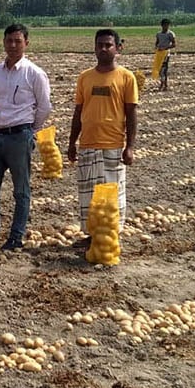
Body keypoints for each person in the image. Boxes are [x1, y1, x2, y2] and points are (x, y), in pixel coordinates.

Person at [0, 23, 52, 251]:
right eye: (9, 41)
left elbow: (44, 107)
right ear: (3, 42)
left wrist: (30, 131)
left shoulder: (34, 73)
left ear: (26, 43)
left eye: (18, 41)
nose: (13, 45)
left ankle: (16, 236)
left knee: (21, 190)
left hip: (19, 136)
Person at [66, 29, 138, 249]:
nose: (104, 49)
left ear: (118, 48)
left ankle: (110, 236)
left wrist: (130, 147)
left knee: (112, 195)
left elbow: (131, 114)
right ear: (94, 47)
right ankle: (90, 235)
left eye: (108, 45)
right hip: (88, 144)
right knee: (89, 195)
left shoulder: (126, 77)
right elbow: (78, 113)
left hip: (113, 146)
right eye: (100, 45)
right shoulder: (85, 77)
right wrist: (71, 143)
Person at [154, 18, 177, 91]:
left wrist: (165, 48)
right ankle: (163, 83)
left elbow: (174, 44)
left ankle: (164, 84)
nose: (166, 27)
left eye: (167, 25)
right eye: (165, 25)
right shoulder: (158, 34)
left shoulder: (170, 34)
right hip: (159, 53)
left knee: (164, 69)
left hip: (166, 54)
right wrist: (157, 47)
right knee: (159, 69)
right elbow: (157, 43)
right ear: (162, 26)